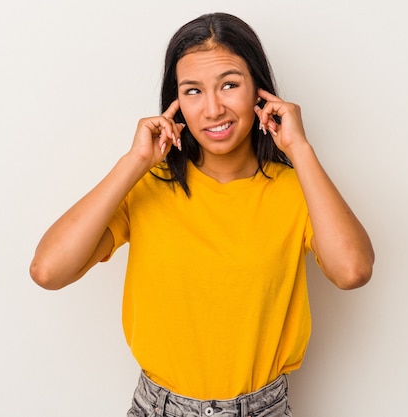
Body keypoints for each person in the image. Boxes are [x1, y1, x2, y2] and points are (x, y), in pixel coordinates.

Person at [30, 12, 374, 417]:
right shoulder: (147, 185)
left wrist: (300, 149)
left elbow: (352, 271)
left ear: (260, 93)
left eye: (229, 85)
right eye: (192, 91)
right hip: (158, 407)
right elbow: (48, 271)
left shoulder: (297, 190)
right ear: (174, 102)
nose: (212, 109)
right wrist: (135, 160)